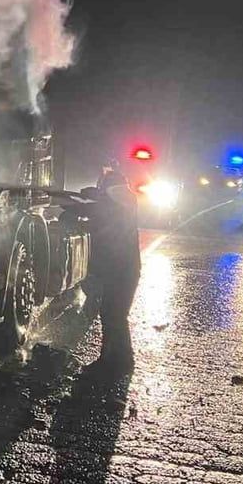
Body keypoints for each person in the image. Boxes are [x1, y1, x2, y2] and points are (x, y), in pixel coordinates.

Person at [87, 159, 140, 375]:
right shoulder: (124, 202)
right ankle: (117, 360)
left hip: (121, 270)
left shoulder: (119, 205)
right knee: (112, 314)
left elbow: (104, 218)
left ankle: (118, 362)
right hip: (122, 269)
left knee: (114, 314)